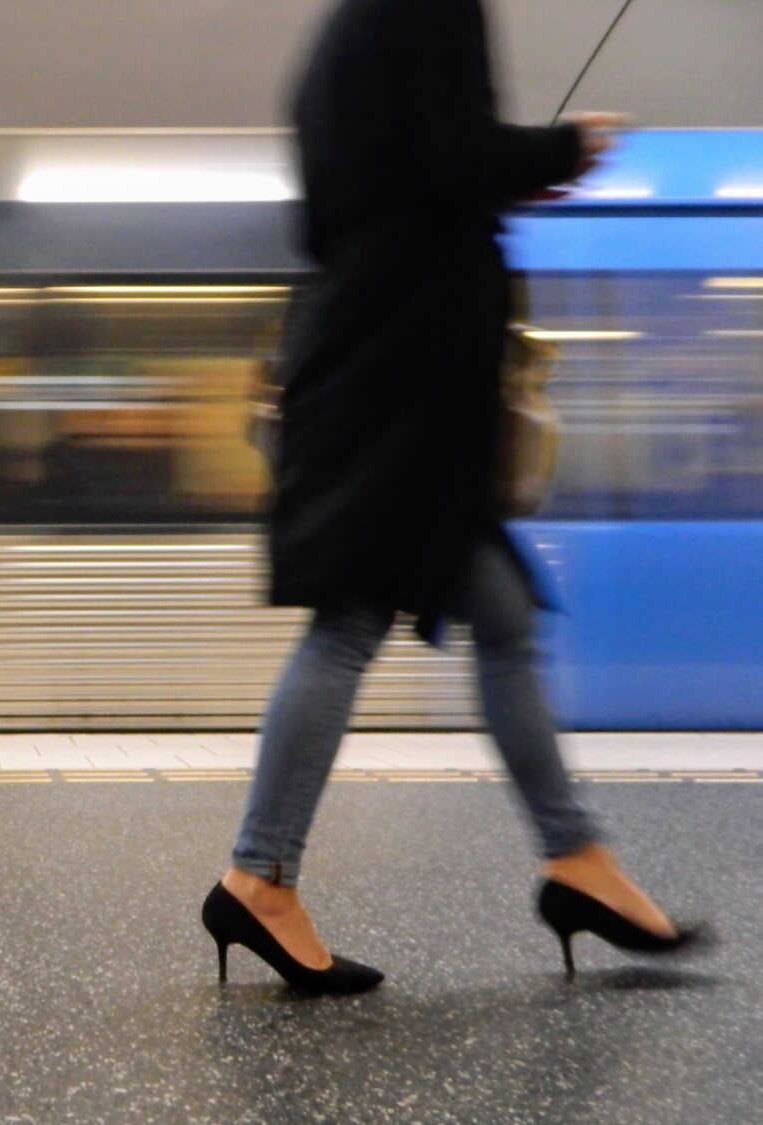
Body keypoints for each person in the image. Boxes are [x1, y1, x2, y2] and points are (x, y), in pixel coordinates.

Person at [201, 0, 707, 993]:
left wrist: (500, 175)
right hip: (401, 384)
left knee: (504, 616)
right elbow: (452, 152)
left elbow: (377, 186)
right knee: (349, 619)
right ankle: (258, 875)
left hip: (385, 373)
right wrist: (564, 145)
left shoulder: (345, 35)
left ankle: (576, 861)